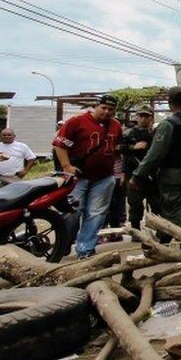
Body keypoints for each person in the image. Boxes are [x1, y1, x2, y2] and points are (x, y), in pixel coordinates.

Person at [130, 87, 181, 242]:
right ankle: (164, 240)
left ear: (169, 103)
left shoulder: (169, 124)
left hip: (172, 176)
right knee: (171, 209)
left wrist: (137, 175)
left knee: (173, 210)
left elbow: (154, 154)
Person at [53, 94, 123, 258]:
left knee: (96, 213)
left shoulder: (115, 125)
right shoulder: (77, 121)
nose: (106, 112)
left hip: (104, 177)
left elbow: (118, 146)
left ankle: (85, 249)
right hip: (79, 177)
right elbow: (59, 144)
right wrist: (66, 166)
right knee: (73, 212)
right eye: (103, 108)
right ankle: (63, 244)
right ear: (96, 106)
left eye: (110, 109)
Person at [119, 107, 155, 230]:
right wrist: (133, 147)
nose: (143, 119)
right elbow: (119, 149)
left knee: (156, 204)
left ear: (151, 118)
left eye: (147, 116)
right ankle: (135, 230)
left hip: (152, 175)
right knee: (135, 205)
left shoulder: (155, 134)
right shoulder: (129, 133)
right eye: (141, 116)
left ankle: (160, 231)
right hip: (133, 175)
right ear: (137, 117)